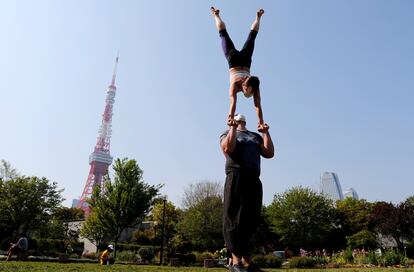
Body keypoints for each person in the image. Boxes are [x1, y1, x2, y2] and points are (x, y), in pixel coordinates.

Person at [220, 114, 274, 272]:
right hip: (236, 177)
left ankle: (247, 262)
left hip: (253, 179)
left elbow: (269, 153)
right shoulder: (227, 133)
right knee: (233, 218)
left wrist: (265, 133)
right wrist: (232, 128)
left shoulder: (255, 136)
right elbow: (227, 148)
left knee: (250, 220)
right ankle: (235, 261)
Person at [211, 7, 267, 131]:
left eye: (251, 92)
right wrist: (231, 117)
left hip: (243, 61)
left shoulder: (254, 86)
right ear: (246, 87)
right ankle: (216, 15)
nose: (250, 94)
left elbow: (256, 106)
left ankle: (217, 15)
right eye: (250, 92)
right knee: (225, 34)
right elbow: (234, 103)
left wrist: (261, 122)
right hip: (236, 62)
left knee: (250, 36)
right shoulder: (236, 85)